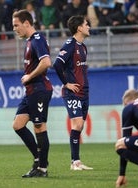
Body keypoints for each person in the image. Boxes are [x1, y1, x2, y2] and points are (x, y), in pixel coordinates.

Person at [12, 9, 53, 178]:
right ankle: (38, 158)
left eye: (16, 25)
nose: (14, 29)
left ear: (27, 23)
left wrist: (29, 75)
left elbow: (46, 62)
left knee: (39, 127)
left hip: (39, 89)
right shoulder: (29, 41)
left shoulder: (37, 39)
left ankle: (42, 168)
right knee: (18, 125)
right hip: (31, 90)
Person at [53, 15, 93, 171]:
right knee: (77, 124)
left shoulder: (83, 47)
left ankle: (76, 161)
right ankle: (74, 162)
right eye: (86, 24)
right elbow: (57, 64)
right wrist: (66, 84)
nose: (89, 26)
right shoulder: (70, 44)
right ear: (79, 28)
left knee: (80, 126)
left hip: (84, 92)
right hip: (72, 92)